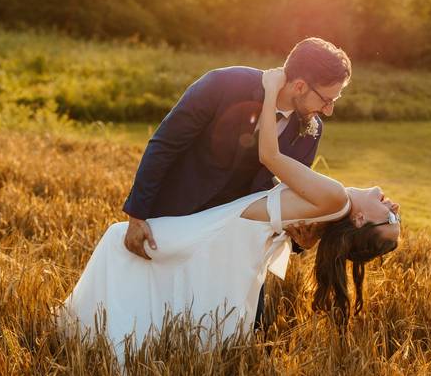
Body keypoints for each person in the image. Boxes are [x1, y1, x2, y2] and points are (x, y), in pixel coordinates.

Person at [59, 64, 401, 358]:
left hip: (234, 236)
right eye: (327, 99)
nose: (328, 110)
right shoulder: (226, 84)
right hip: (210, 219)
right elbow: (165, 144)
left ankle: (112, 338)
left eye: (390, 217)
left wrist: (301, 241)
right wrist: (138, 213)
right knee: (172, 286)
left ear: (359, 220)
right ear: (300, 85)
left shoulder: (334, 192)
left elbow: (273, 164)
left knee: (170, 287)